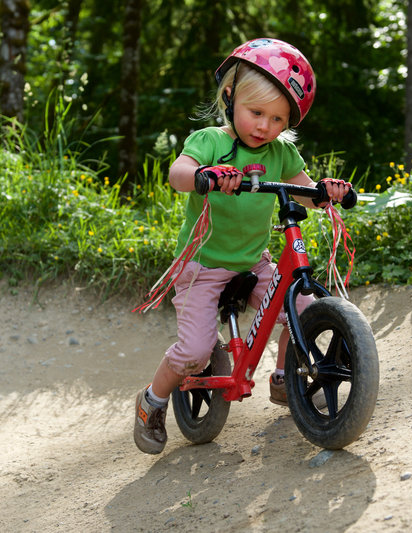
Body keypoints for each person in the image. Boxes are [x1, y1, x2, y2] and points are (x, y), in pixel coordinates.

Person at [134, 38, 352, 454]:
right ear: (230, 97)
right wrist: (204, 174)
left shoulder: (281, 151)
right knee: (195, 351)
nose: (264, 127)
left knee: (301, 308)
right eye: (256, 113)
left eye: (277, 119)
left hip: (253, 261)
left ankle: (285, 379)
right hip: (202, 265)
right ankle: (152, 401)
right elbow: (178, 173)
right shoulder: (210, 141)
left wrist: (324, 191)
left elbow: (304, 190)